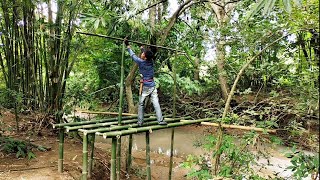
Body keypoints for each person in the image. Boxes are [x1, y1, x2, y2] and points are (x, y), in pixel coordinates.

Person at [124, 39, 167, 126]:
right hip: (152, 85)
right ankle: (160, 120)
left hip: (145, 87)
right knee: (156, 103)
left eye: (143, 54)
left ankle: (140, 122)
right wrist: (142, 48)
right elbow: (146, 54)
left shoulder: (141, 62)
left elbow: (133, 55)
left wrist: (127, 46)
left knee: (141, 104)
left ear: (145, 57)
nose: (142, 54)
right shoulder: (151, 61)